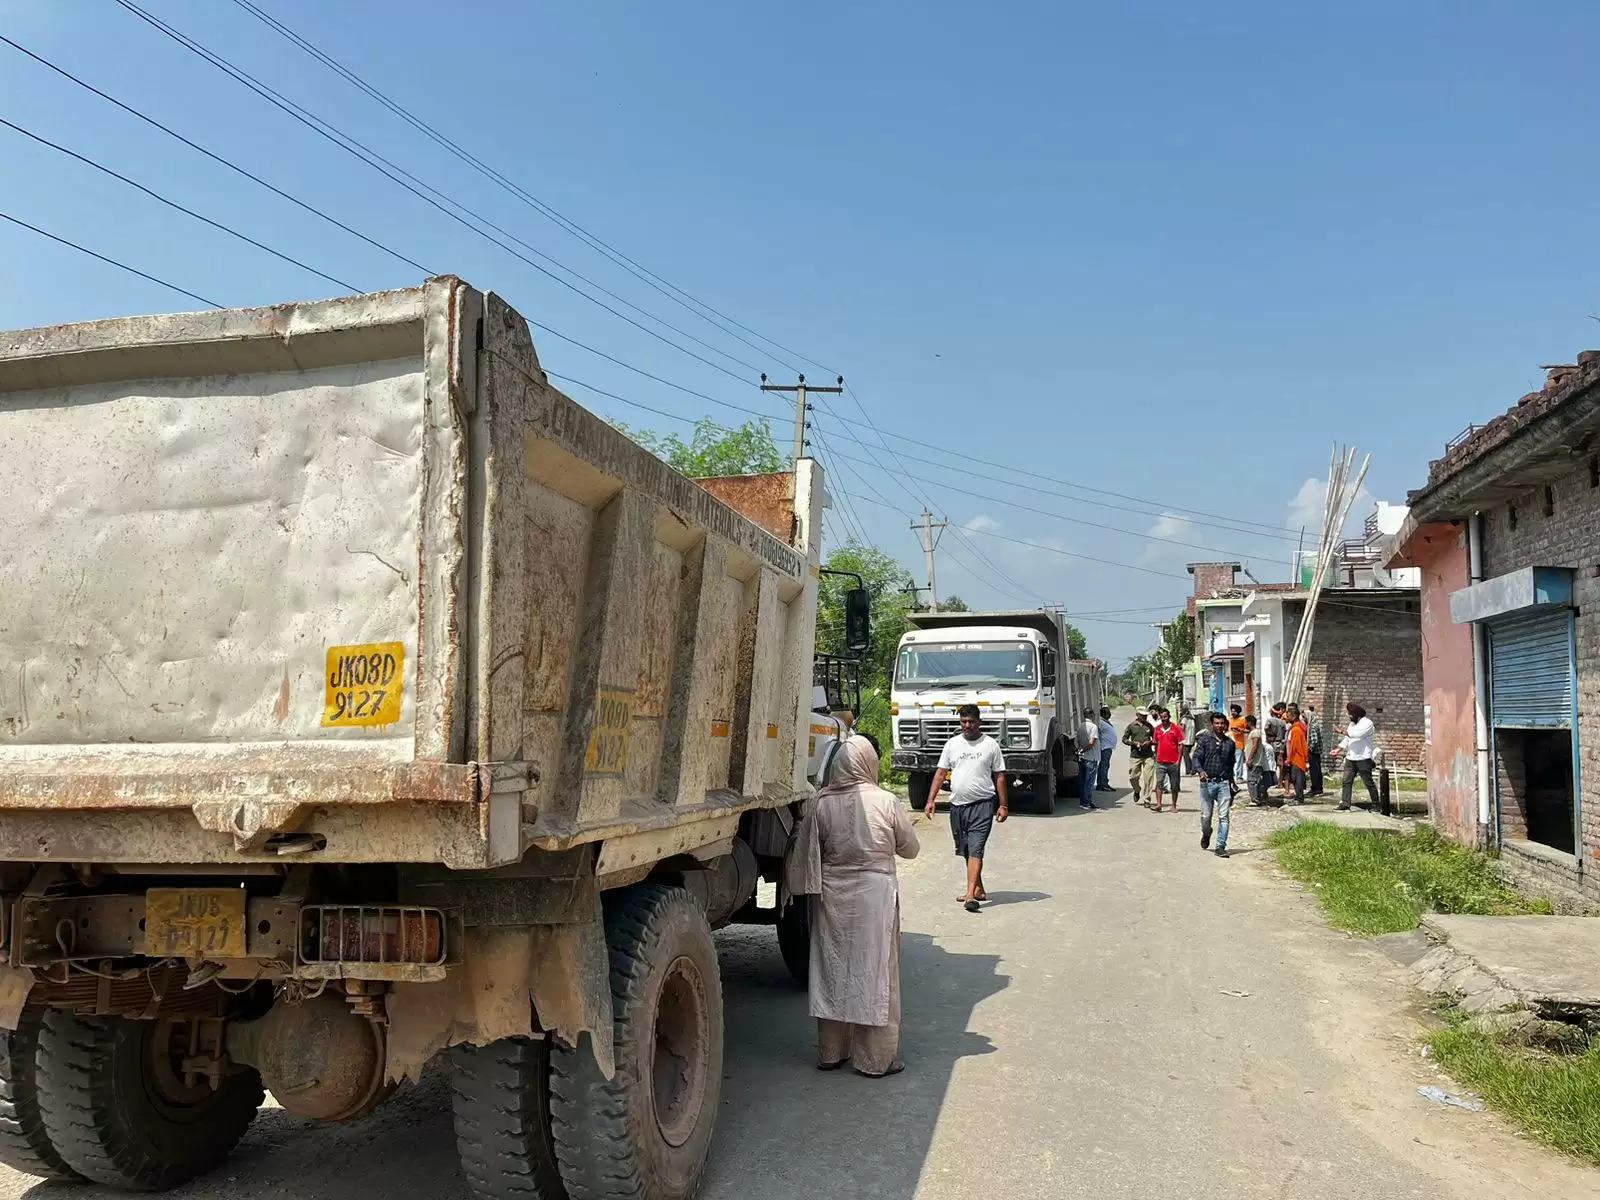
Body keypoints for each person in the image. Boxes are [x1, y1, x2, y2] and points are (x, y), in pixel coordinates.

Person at [798, 736, 919, 1077]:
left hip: (832, 896)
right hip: (874, 896)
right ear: (869, 763)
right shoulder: (886, 801)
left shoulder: (820, 802)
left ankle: (831, 1052)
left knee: (832, 969)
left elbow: (810, 853)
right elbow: (910, 849)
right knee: (877, 972)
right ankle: (874, 1060)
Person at [925, 704, 1009, 911]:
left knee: (976, 847)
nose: (967, 725)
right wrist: (930, 800)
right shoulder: (952, 744)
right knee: (965, 849)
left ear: (979, 722)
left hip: (983, 805)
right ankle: (978, 888)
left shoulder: (990, 745)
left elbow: (999, 776)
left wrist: (1003, 805)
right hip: (957, 807)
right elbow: (940, 773)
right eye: (963, 722)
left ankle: (970, 895)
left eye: (971, 722)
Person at [1192, 712, 1238, 857]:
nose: (1219, 726)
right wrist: (1200, 771)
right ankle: (1206, 833)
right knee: (1206, 817)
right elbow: (1196, 758)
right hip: (1207, 783)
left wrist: (1232, 783)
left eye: (1222, 723)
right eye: (1216, 723)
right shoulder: (1205, 741)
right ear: (1212, 724)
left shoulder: (1230, 743)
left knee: (1224, 817)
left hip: (1223, 783)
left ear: (1225, 725)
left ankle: (1220, 847)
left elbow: (1231, 765)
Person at [1334, 702, 1380, 810]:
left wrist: (1341, 731)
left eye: (1350, 714)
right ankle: (1345, 803)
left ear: (1356, 714)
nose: (1349, 716)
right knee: (1346, 781)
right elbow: (1348, 738)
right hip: (1351, 757)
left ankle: (1376, 805)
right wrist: (1338, 749)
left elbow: (1357, 735)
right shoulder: (1352, 724)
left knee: (1368, 782)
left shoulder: (1367, 723)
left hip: (1363, 757)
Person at [1150, 706, 1185, 812]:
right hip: (1160, 762)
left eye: (1165, 716)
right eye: (1162, 717)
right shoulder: (1157, 729)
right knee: (1159, 783)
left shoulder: (1176, 729)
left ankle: (1174, 805)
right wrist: (1156, 756)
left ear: (1169, 717)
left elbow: (1181, 745)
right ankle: (1159, 804)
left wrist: (1178, 760)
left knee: (1174, 785)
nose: (1164, 718)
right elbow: (1155, 744)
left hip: (1173, 762)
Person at [1122, 709, 1155, 804]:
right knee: (1133, 777)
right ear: (1137, 715)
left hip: (1148, 755)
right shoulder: (1131, 726)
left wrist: (1150, 742)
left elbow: (1156, 739)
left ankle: (1147, 799)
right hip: (1135, 755)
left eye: (1145, 716)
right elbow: (1124, 739)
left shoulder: (1149, 726)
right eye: (1142, 715)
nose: (1144, 717)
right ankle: (1137, 790)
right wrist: (1133, 743)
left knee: (1148, 778)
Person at [1242, 715, 1272, 805]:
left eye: (1246, 722)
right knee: (1253, 780)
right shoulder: (1253, 732)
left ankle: (1255, 799)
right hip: (1254, 761)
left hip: (1254, 761)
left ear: (1249, 722)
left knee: (1252, 780)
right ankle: (1256, 798)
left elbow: (1254, 746)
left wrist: (1250, 759)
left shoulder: (1255, 732)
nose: (1245, 724)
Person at [1283, 702, 1309, 805]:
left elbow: (1296, 747)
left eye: (1288, 716)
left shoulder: (1297, 729)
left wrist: (1289, 759)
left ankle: (1299, 798)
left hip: (1297, 758)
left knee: (1297, 779)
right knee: (1295, 778)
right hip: (1295, 758)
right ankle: (1298, 797)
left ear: (1293, 716)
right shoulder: (1296, 727)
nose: (1286, 718)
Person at [1078, 707, 1100, 809]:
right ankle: (1087, 802)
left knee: (1083, 782)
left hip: (1083, 758)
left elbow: (1077, 741)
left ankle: (1083, 802)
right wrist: (1084, 750)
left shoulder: (1080, 726)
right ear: (1092, 715)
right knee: (1089, 782)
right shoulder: (1094, 727)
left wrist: (1081, 750)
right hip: (1091, 758)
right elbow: (1092, 743)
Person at [1305, 704, 1325, 796]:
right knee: (1317, 770)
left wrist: (1308, 749)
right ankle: (1319, 788)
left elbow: (1313, 740)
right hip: (1317, 752)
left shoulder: (1312, 726)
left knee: (1314, 771)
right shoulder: (1316, 724)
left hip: (1313, 752)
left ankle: (1315, 788)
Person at [1096, 706, 1117, 792]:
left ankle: (1103, 783)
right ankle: (1103, 784)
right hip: (1104, 747)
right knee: (1104, 766)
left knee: (1104, 766)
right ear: (1104, 714)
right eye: (1108, 713)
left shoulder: (1105, 722)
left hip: (1107, 747)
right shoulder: (1100, 722)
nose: (1110, 714)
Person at [1227, 704, 1248, 782]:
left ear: (1238, 712)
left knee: (1239, 761)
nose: (1233, 713)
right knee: (1229, 761)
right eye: (1232, 711)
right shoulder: (1229, 720)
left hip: (1239, 744)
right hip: (1230, 743)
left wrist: (1240, 730)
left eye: (1234, 711)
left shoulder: (1243, 719)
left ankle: (1239, 777)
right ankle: (1230, 776)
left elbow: (1248, 730)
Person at [1179, 705, 1198, 775]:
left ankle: (1190, 770)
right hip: (1191, 739)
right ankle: (1192, 769)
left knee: (1186, 756)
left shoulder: (1184, 719)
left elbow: (1182, 728)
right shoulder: (1192, 718)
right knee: (1188, 755)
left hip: (1185, 740)